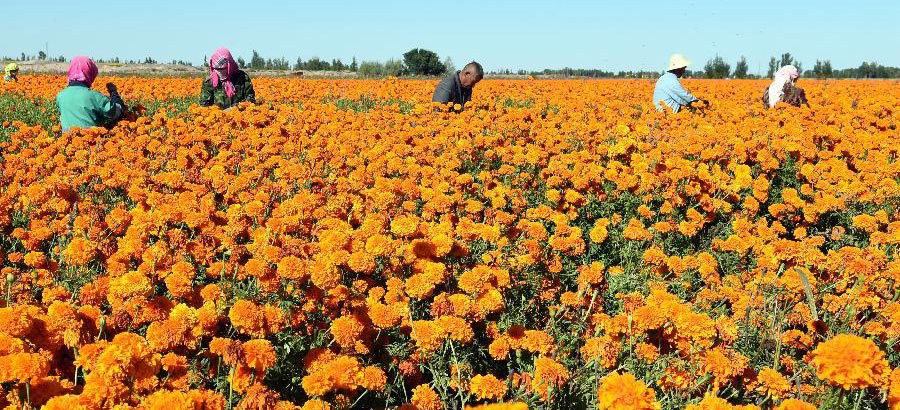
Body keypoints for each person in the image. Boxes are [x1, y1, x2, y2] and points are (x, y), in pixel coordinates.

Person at [56, 57, 125, 132]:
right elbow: (116, 112)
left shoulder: (61, 95)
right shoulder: (94, 96)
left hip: (68, 141)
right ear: (90, 73)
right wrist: (113, 92)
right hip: (92, 140)